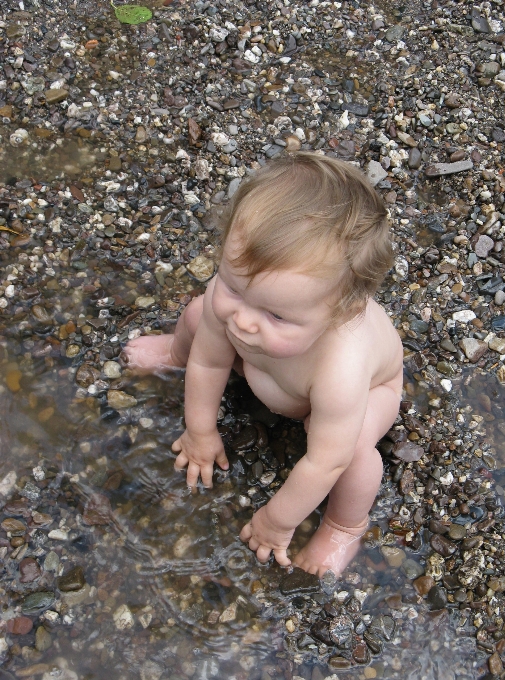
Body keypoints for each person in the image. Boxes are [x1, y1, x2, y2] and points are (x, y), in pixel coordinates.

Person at [122, 152, 403, 577]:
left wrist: (278, 519)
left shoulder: (340, 370)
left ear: (339, 315)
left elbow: (323, 463)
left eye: (277, 315)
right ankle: (172, 352)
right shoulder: (243, 306)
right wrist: (199, 430)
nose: (244, 320)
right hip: (268, 372)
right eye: (235, 287)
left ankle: (345, 526)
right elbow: (210, 361)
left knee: (354, 451)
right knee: (201, 314)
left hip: (354, 395)